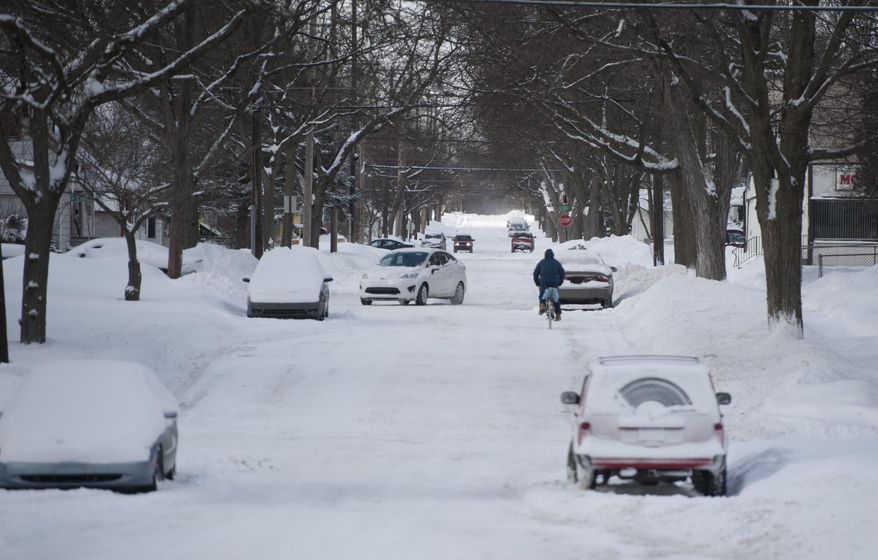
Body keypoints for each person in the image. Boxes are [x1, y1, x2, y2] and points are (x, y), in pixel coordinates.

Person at [533, 248, 565, 320]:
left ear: (545, 255)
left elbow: (535, 274)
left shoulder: (541, 262)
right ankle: (558, 315)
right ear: (553, 255)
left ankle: (542, 305)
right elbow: (562, 273)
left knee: (542, 294)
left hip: (544, 284)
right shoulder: (556, 263)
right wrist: (560, 282)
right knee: (556, 298)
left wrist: (537, 282)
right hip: (554, 284)